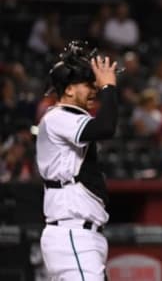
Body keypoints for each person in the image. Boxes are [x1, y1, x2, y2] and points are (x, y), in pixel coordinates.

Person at [36, 41, 118, 280]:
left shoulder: (66, 119)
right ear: (69, 89)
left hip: (80, 235)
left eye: (95, 85)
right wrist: (109, 87)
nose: (94, 90)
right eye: (87, 85)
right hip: (72, 233)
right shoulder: (58, 117)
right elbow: (105, 127)